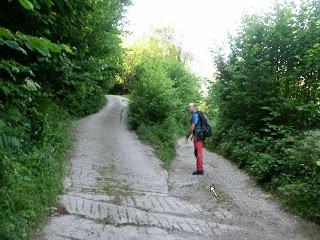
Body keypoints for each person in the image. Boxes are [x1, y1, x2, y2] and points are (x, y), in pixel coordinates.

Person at [185, 103, 204, 175]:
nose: (188, 108)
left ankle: (200, 170)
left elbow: (192, 128)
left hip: (198, 136)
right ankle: (199, 168)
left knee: (198, 153)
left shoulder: (195, 115)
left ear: (193, 107)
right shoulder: (199, 114)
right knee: (197, 152)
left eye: (189, 106)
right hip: (200, 135)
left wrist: (187, 135)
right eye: (188, 107)